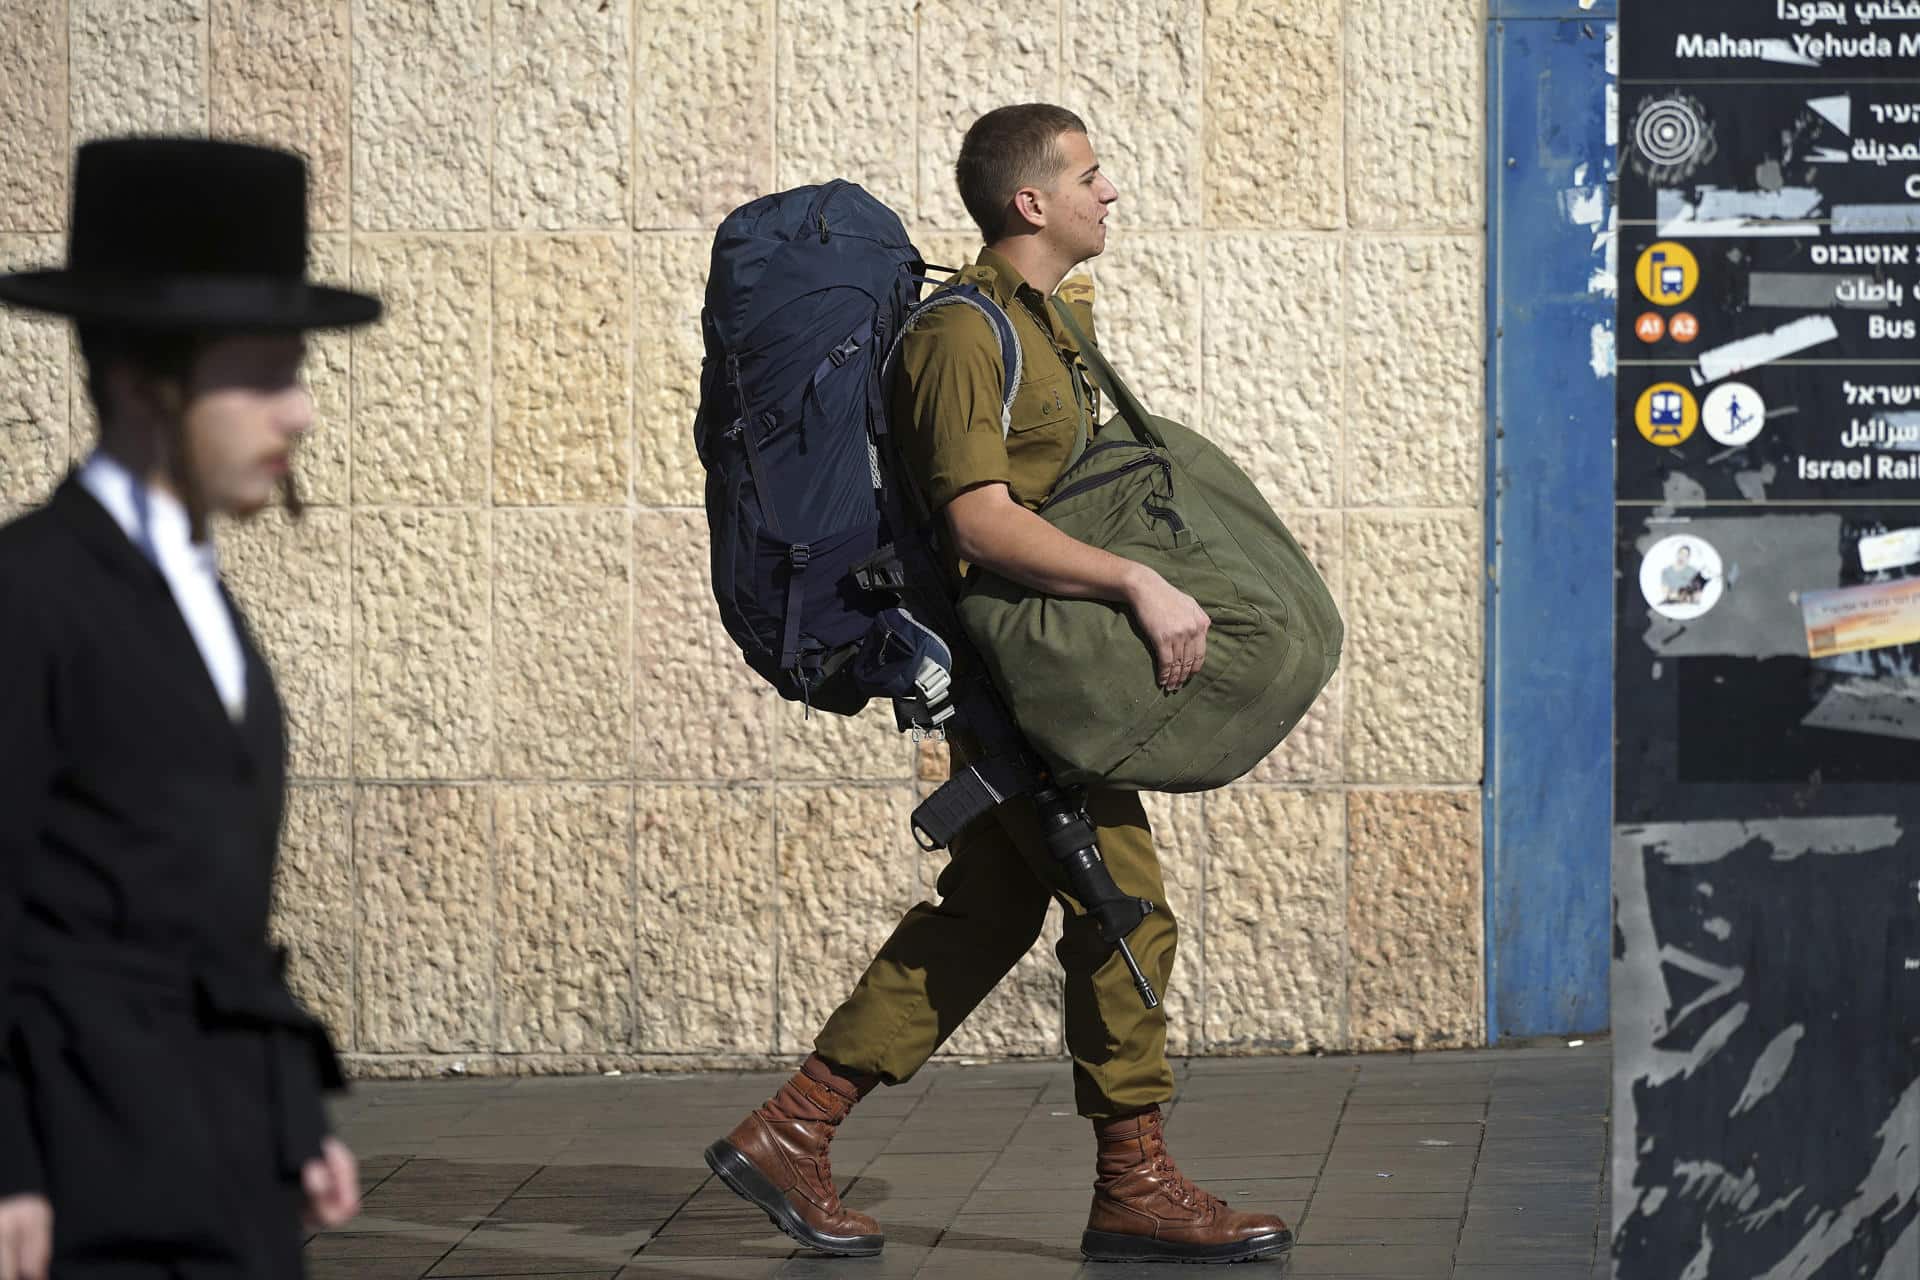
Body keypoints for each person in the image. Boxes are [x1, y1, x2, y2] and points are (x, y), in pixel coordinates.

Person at [706, 104, 1295, 1267]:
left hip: (1039, 673)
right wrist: (1136, 582)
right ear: (1031, 201)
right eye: (1089, 172)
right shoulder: (962, 335)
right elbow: (979, 521)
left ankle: (794, 1127)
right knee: (1122, 909)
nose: (1109, 190)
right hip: (1009, 682)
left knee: (993, 903)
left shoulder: (1045, 320)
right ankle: (1136, 1184)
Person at [0, 137, 383, 1279]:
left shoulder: (195, 594)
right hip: (82, 1180)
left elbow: (202, 912)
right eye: (263, 372)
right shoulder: (32, 594)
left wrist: (289, 1116)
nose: (300, 411)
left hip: (223, 1170)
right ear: (143, 380)